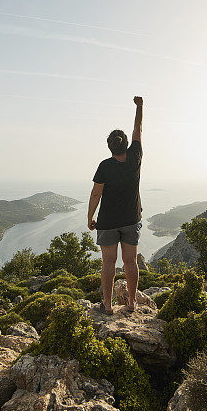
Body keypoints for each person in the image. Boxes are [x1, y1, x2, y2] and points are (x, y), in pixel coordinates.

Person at [88, 96, 143, 315]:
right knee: (130, 261)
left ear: (109, 147)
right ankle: (131, 303)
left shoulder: (104, 166)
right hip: (131, 219)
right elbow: (138, 127)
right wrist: (139, 106)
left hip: (108, 222)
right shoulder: (135, 157)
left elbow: (95, 194)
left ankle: (108, 306)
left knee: (108, 263)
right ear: (127, 144)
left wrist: (90, 218)